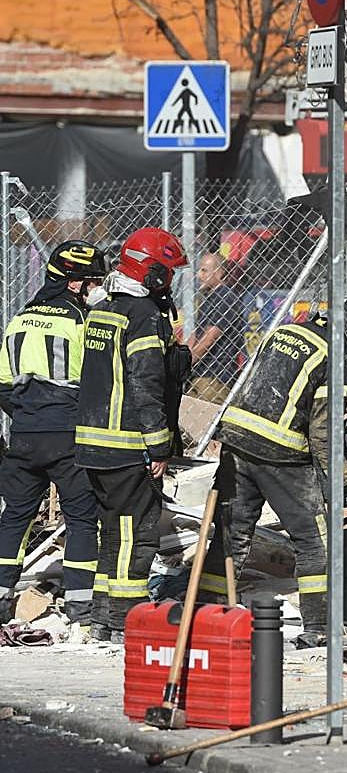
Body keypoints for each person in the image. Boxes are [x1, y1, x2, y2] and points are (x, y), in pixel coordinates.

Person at [199, 293, 347, 647]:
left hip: (237, 438)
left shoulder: (289, 330)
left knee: (231, 535)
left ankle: (205, 614)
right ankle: (318, 629)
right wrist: (344, 480)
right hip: (279, 450)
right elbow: (322, 430)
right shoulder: (336, 357)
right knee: (314, 540)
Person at [76, 227, 192, 643]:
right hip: (128, 444)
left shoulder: (103, 309)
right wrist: (159, 444)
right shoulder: (143, 317)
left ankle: (104, 620)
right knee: (136, 536)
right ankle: (127, 621)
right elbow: (145, 386)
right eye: (170, 273)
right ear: (153, 273)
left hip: (93, 444)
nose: (174, 281)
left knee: (113, 533)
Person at [0, 241, 109, 626]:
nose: (97, 287)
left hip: (25, 435)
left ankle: (0, 597)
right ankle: (80, 608)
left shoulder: (19, 319)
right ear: (76, 284)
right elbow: (98, 384)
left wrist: (30, 414)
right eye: (93, 280)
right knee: (82, 518)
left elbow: (3, 386)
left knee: (15, 517)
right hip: (68, 435)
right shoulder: (82, 322)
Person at [187, 253, 243, 404]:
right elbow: (196, 335)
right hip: (200, 373)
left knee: (204, 423)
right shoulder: (209, 298)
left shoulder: (225, 297)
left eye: (204, 270)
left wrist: (185, 362)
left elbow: (209, 338)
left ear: (219, 273)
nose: (199, 275)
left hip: (215, 377)